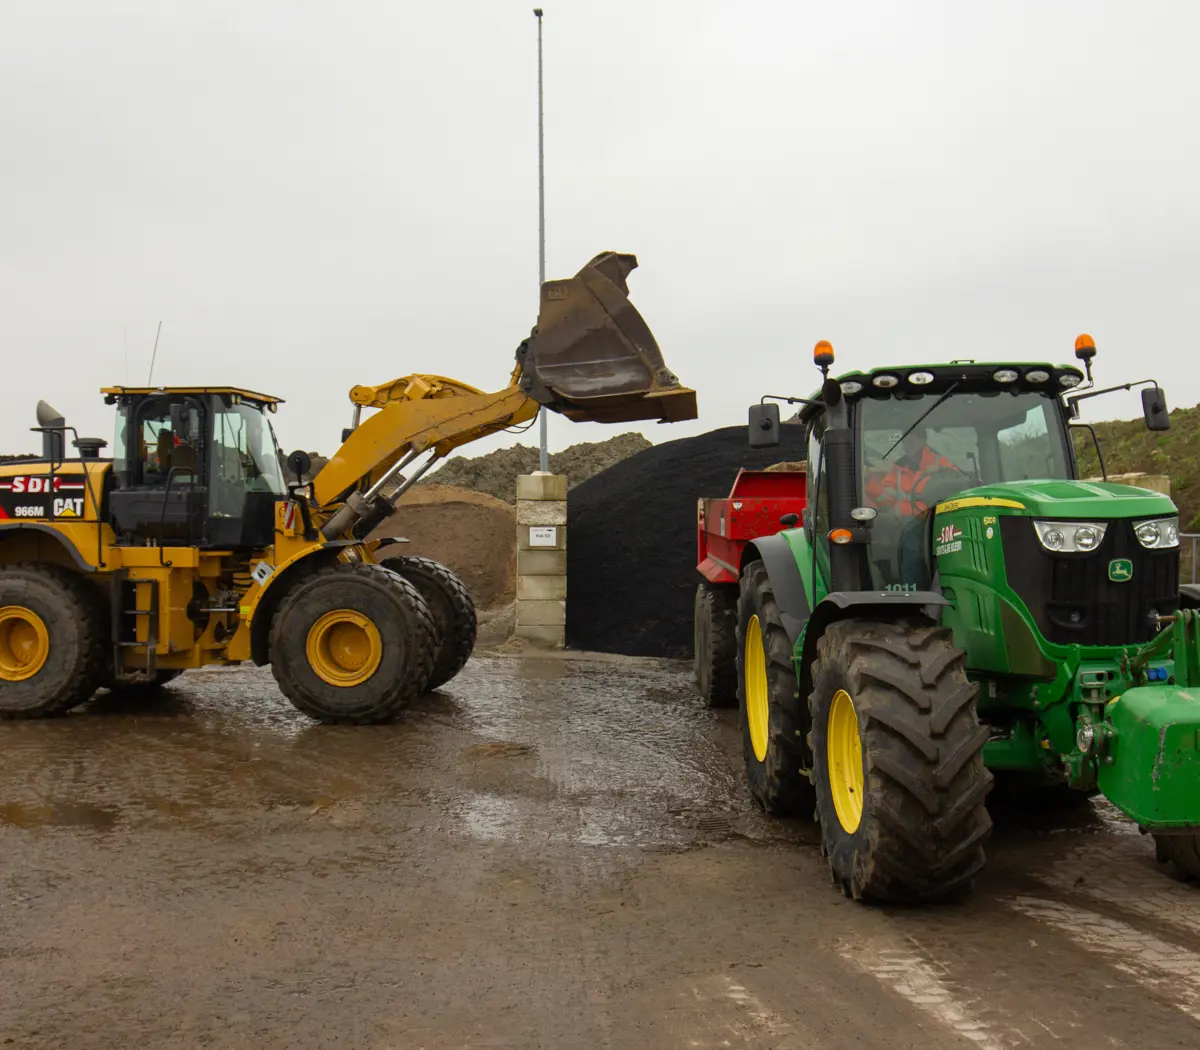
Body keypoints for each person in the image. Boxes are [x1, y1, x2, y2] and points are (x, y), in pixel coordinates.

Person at [865, 426, 960, 518]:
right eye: (904, 443)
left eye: (911, 442)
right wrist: (869, 483)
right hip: (903, 524)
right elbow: (886, 499)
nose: (906, 447)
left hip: (934, 521)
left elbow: (959, 485)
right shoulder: (897, 469)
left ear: (923, 442)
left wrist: (940, 471)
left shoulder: (940, 463)